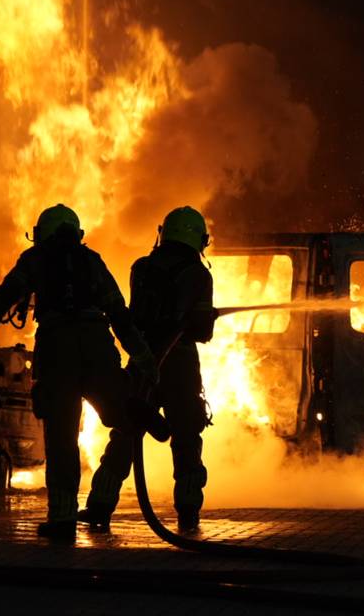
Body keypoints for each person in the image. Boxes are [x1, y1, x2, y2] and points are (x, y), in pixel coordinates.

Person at [0, 204, 156, 541]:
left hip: (57, 350)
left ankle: (63, 518)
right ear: (75, 232)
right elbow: (118, 313)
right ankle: (131, 407)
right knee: (118, 412)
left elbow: (2, 299)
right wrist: (143, 357)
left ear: (43, 234)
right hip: (97, 343)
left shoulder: (36, 259)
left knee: (62, 435)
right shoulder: (92, 261)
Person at [81, 206, 216, 533]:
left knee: (126, 432)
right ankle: (187, 513)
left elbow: (135, 319)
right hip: (180, 366)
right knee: (186, 436)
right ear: (198, 238)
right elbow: (202, 333)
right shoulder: (199, 275)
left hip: (142, 362)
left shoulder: (141, 268)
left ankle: (100, 505)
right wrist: (201, 318)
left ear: (165, 232)